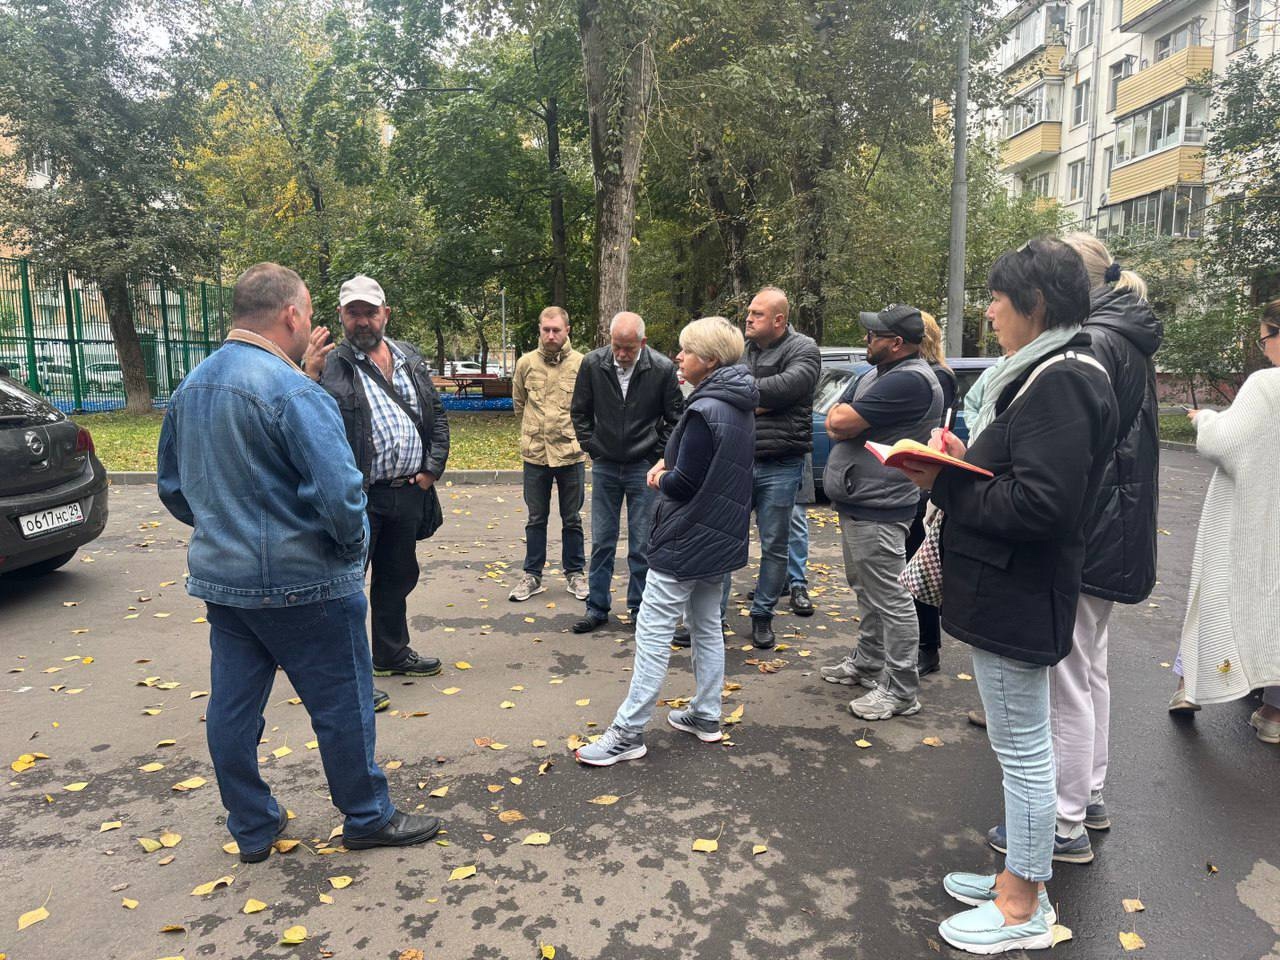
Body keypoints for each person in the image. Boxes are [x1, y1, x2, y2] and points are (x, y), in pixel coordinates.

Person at [157, 263, 441, 861]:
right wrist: (349, 552)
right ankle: (367, 816)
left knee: (232, 709)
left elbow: (175, 490)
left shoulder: (192, 387)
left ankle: (252, 826)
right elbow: (340, 494)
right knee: (343, 705)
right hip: (306, 584)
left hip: (226, 583)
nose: (311, 324)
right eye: (309, 313)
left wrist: (224, 530)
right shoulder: (294, 391)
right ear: (291, 314)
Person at [899, 238, 1117, 954]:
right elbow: (1026, 475)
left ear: (1037, 303)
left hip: (1018, 591)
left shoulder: (1063, 378)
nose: (988, 311)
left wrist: (947, 484)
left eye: (996, 298)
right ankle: (1017, 881)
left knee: (1024, 752)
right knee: (1020, 747)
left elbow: (1043, 506)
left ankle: (1023, 904)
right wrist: (966, 462)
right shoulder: (1047, 371)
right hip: (1009, 588)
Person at [575, 317, 758, 765]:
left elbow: (685, 483)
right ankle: (706, 714)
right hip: (718, 536)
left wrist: (660, 477)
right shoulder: (737, 403)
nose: (679, 356)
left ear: (709, 360)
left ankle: (627, 731)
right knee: (706, 625)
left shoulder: (704, 409)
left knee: (653, 632)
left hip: (686, 537)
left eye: (687, 350)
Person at [1046, 234, 1162, 862]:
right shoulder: (1126, 337)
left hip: (1090, 529)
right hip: (1117, 528)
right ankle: (1088, 794)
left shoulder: (1093, 341)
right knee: (1089, 667)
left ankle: (1063, 822)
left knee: (1066, 674)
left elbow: (1076, 451)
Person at [316, 275, 450, 709]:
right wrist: (308, 373)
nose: (362, 321)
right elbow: (308, 422)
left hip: (407, 491)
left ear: (385, 314)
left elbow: (435, 414)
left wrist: (431, 470)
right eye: (353, 312)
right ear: (341, 316)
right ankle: (348, 678)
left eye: (370, 312)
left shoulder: (408, 356)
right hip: (359, 496)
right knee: (347, 588)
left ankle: (390, 654)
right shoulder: (330, 364)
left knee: (397, 577)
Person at [820, 304, 942, 720]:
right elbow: (835, 416)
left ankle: (901, 690)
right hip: (860, 499)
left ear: (897, 343)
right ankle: (868, 662)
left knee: (891, 597)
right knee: (865, 588)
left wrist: (845, 420)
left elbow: (842, 421)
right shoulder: (878, 374)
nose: (866, 339)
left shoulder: (909, 380)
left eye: (874, 335)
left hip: (880, 504)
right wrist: (843, 419)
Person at [1168, 297, 1280, 743]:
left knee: (1220, 594)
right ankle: (1273, 714)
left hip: (1253, 521)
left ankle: (1191, 685)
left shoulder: (1267, 385)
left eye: (1264, 339)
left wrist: (1206, 419)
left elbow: (1226, 443)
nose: (1264, 349)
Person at [570, 312, 683, 633]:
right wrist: (592, 446)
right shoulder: (593, 364)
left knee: (642, 543)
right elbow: (579, 411)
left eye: (629, 349)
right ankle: (596, 607)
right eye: (616, 346)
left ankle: (639, 608)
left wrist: (655, 453)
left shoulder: (661, 368)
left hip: (642, 467)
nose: (621, 354)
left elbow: (676, 418)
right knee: (602, 541)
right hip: (605, 464)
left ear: (642, 343)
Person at [739, 286, 822, 648]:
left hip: (781, 462)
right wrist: (760, 398)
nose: (748, 318)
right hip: (737, 459)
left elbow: (789, 387)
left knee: (775, 544)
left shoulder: (803, 348)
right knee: (726, 539)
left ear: (778, 320)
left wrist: (746, 396)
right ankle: (710, 617)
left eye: (756, 314)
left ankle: (762, 615)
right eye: (749, 312)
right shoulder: (739, 349)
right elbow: (720, 385)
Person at [510, 307, 588, 603]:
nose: (551, 335)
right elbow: (519, 403)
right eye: (546, 330)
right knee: (535, 518)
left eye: (556, 330)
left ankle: (575, 574)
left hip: (570, 454)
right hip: (536, 454)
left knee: (572, 519)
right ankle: (532, 575)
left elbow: (589, 407)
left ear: (567, 330)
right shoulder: (526, 363)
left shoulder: (582, 364)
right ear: (540, 330)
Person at [907, 311, 957, 677]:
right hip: (917, 476)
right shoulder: (935, 373)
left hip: (924, 482)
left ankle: (928, 647)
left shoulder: (937, 377)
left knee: (920, 563)